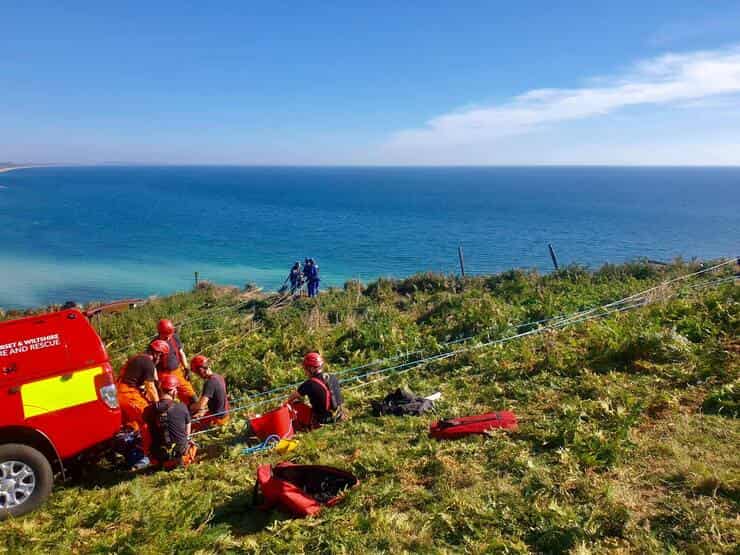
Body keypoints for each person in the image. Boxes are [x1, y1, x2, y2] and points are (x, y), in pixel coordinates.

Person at [117, 339, 169, 458]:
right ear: (158, 354)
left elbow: (128, 377)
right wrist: (158, 407)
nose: (160, 360)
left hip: (119, 393)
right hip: (129, 395)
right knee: (148, 419)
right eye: (161, 357)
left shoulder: (137, 358)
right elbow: (150, 387)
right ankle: (149, 454)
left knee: (132, 424)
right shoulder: (148, 363)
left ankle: (130, 451)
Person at [148, 373, 197, 469]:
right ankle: (179, 459)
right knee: (188, 441)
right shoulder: (182, 407)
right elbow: (187, 433)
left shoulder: (150, 409)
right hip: (180, 452)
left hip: (160, 455)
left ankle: (160, 461)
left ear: (161, 390)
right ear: (173, 391)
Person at [286, 352, 344, 427]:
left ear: (312, 369)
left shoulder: (309, 383)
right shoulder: (332, 377)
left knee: (296, 404)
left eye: (305, 369)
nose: (305, 372)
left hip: (322, 421)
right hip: (339, 416)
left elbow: (290, 399)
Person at [154, 318, 197, 405]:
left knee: (191, 396)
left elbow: (181, 353)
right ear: (160, 333)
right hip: (163, 375)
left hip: (178, 371)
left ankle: (193, 412)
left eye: (169, 335)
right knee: (167, 400)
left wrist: (186, 368)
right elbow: (153, 365)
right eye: (166, 335)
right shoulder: (154, 344)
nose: (168, 337)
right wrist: (156, 380)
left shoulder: (174, 338)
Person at [189, 355, 230, 428]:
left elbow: (200, 405)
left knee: (189, 425)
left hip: (217, 419)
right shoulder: (219, 377)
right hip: (225, 415)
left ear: (200, 370)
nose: (198, 375)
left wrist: (189, 407)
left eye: (196, 372)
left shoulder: (210, 383)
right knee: (198, 416)